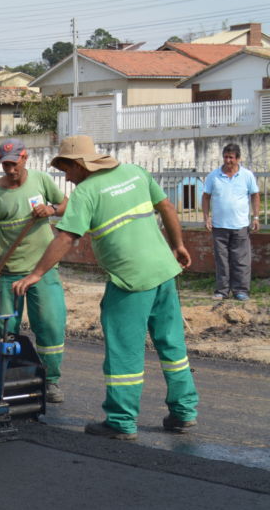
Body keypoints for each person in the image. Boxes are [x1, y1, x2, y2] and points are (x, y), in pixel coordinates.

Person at [13, 135, 199, 440]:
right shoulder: (135, 172)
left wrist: (35, 274)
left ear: (80, 166)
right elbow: (166, 205)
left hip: (130, 282)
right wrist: (177, 245)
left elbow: (65, 238)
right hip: (165, 272)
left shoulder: (86, 193)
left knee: (124, 353)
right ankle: (184, 412)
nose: (67, 178)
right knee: (172, 346)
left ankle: (121, 421)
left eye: (67, 170)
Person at [0, 138, 69, 402]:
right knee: (6, 328)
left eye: (13, 164)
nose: (10, 170)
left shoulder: (41, 181)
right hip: (8, 273)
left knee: (51, 326)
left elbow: (65, 204)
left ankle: (51, 381)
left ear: (25, 158)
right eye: (5, 165)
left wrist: (51, 209)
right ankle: (9, 377)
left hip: (42, 270)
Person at [202, 143, 260, 301]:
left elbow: (255, 195)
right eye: (226, 157)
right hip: (219, 226)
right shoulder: (213, 176)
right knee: (222, 260)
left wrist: (256, 217)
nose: (228, 160)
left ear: (238, 159)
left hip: (240, 225)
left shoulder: (247, 175)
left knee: (241, 260)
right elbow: (206, 197)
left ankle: (241, 290)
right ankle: (222, 291)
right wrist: (206, 217)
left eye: (231, 157)